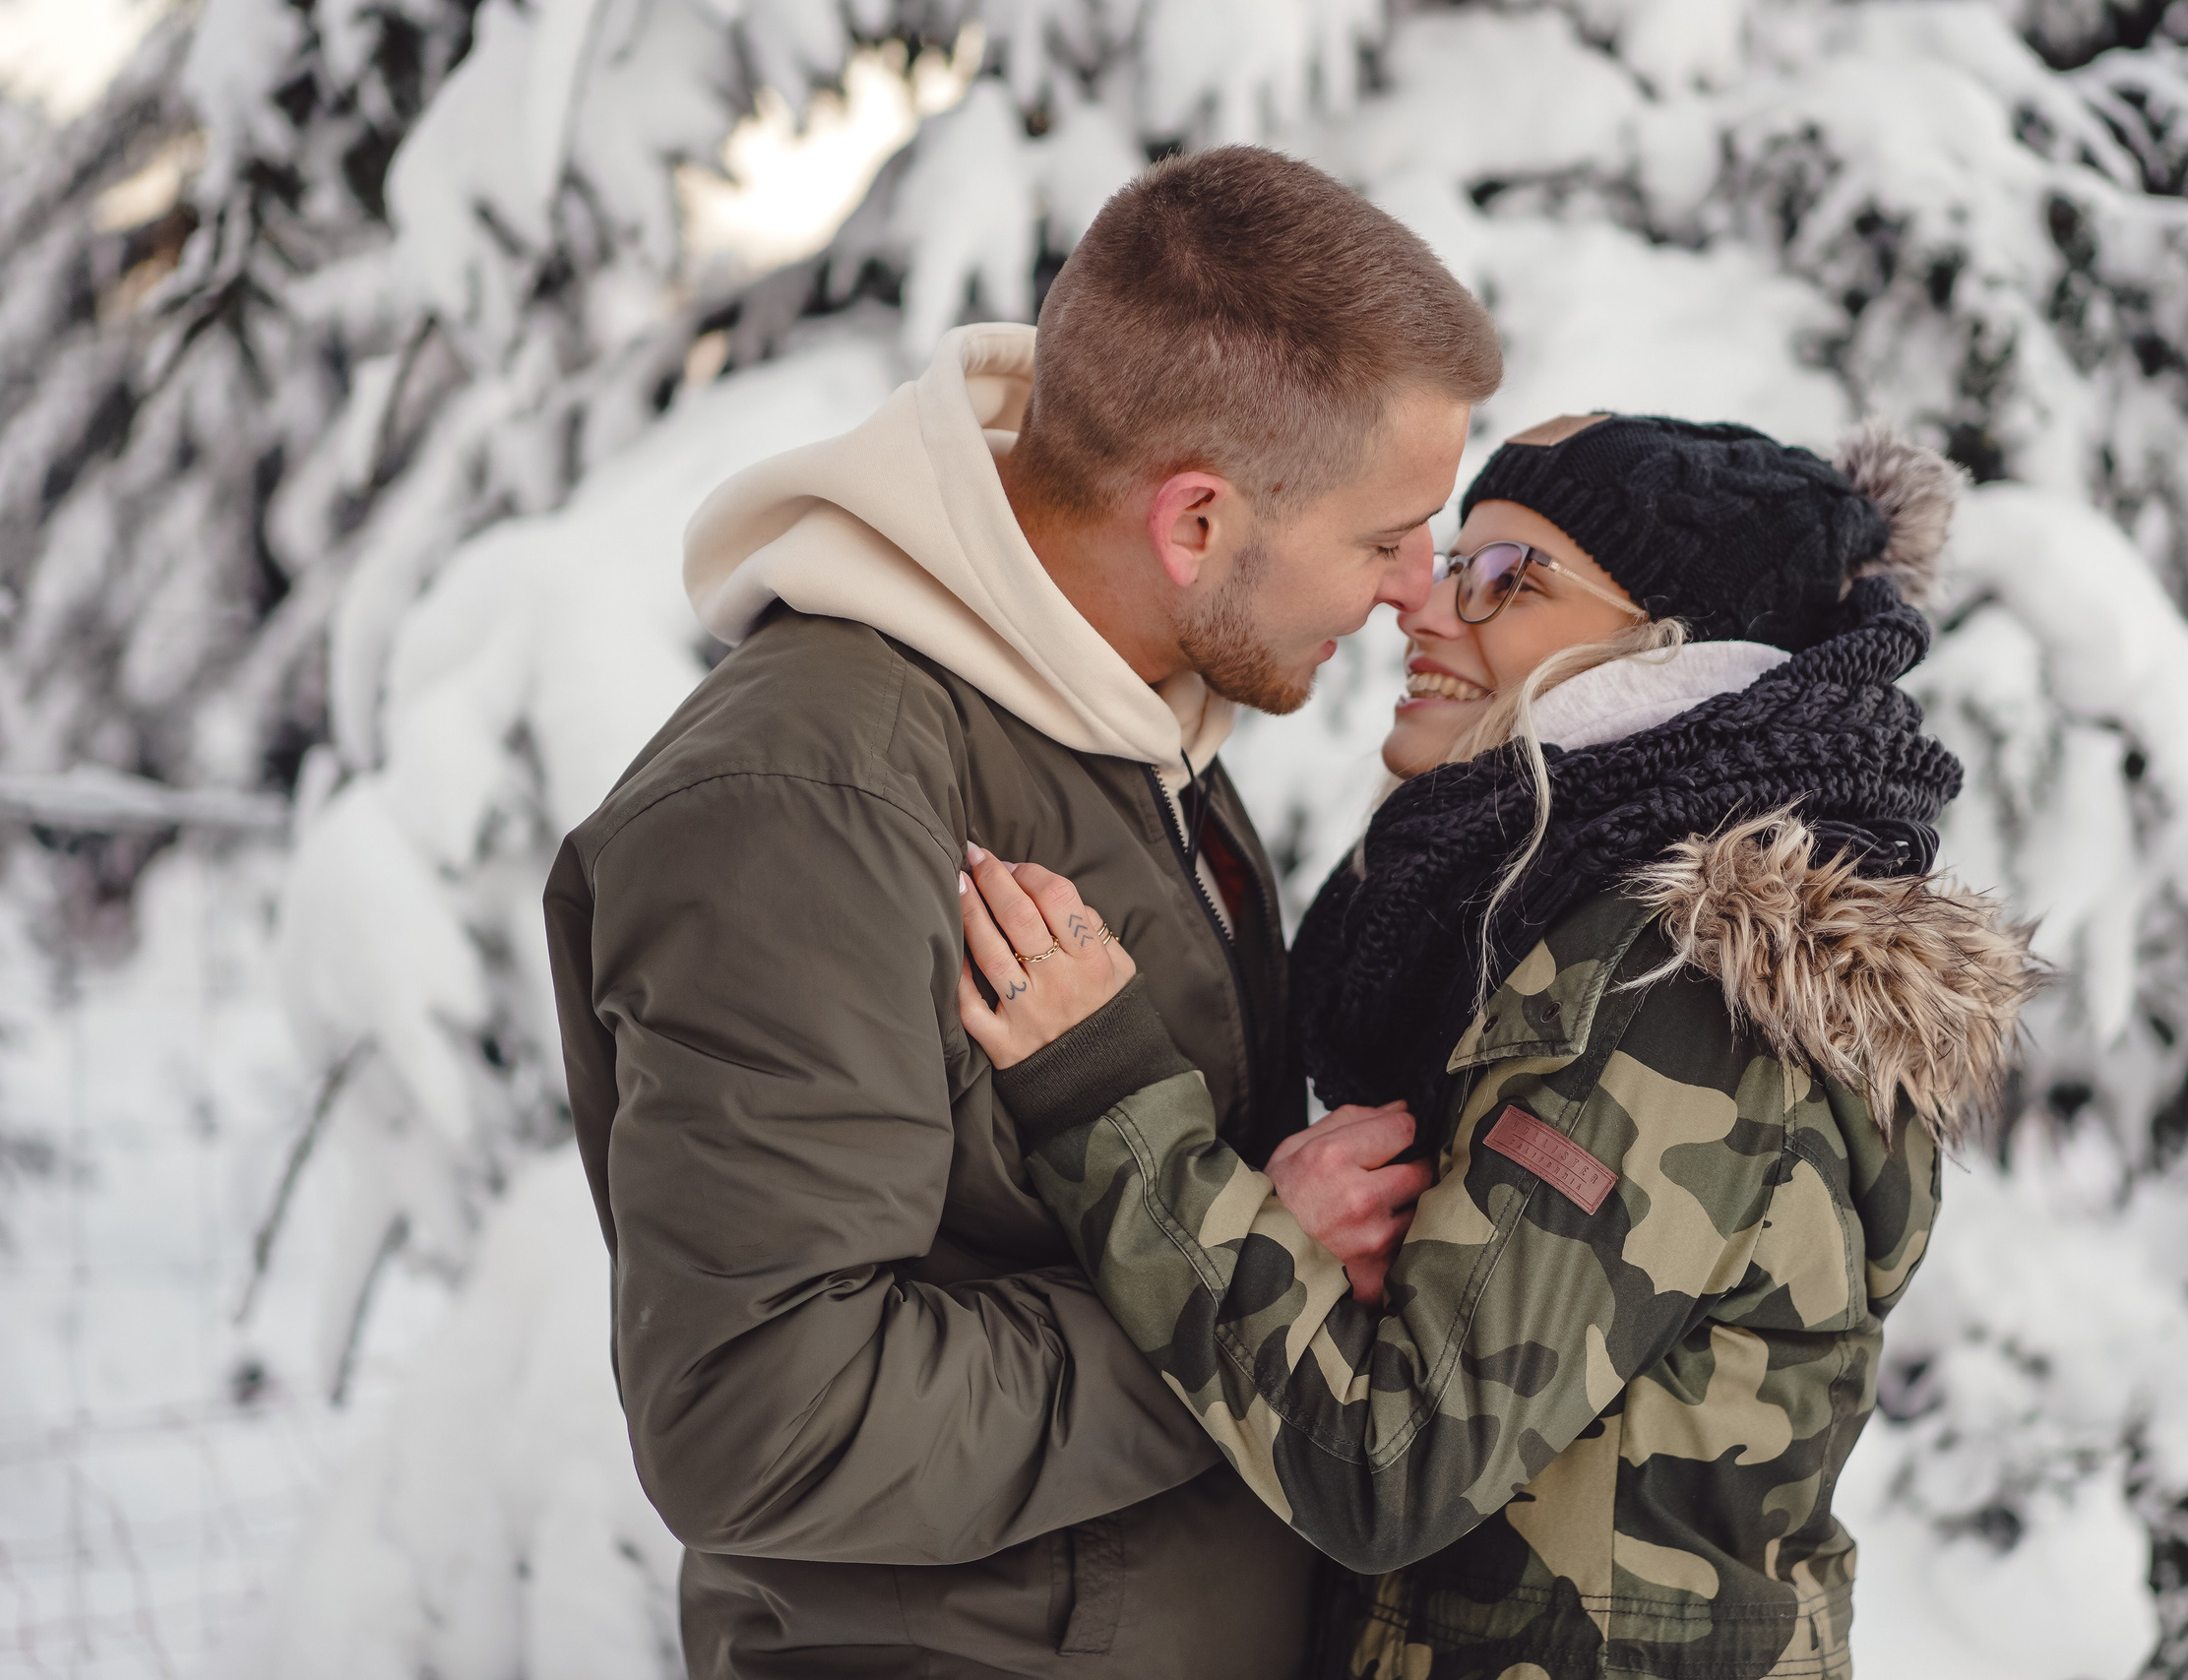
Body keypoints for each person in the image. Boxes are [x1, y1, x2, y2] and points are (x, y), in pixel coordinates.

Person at [541, 146, 1501, 1680]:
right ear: (1196, 523)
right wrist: (1241, 1280)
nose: (1411, 590)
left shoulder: (1108, 724)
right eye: (1384, 536)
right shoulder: (813, 802)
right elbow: (766, 1420)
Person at [956, 415, 2042, 1678]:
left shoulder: (1669, 990)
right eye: (1444, 560)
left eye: (1505, 577)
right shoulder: (1540, 931)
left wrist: (1108, 1097)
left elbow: (1393, 1461)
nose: (1421, 607)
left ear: (1671, 655)